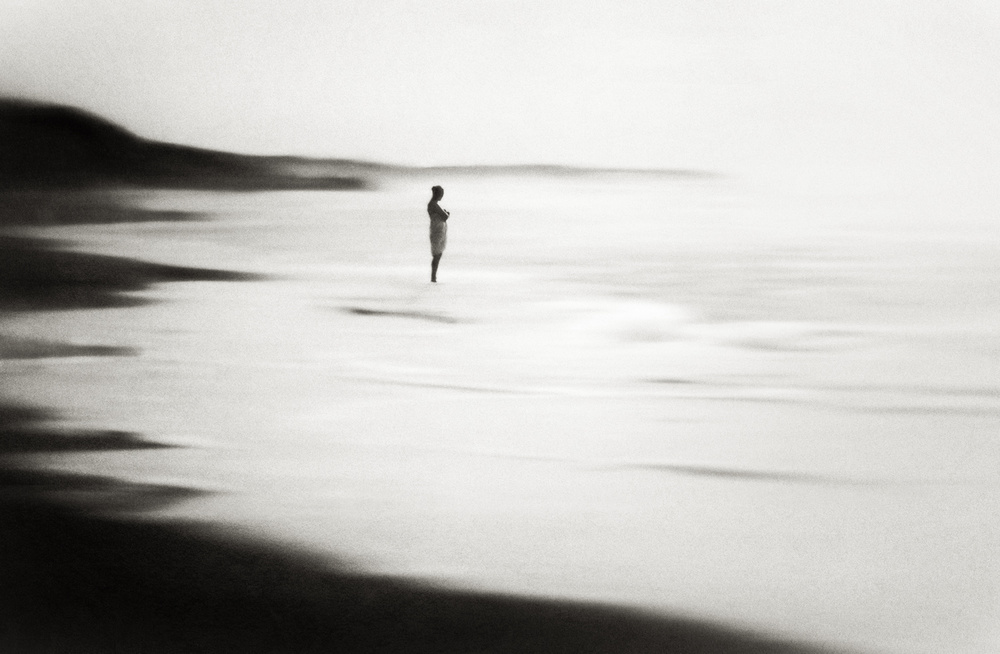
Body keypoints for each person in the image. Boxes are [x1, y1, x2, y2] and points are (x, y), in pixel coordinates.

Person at [427, 185, 449, 282]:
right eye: (441, 194)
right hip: (437, 230)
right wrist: (446, 213)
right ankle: (433, 277)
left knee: (437, 253)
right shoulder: (433, 205)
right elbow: (444, 216)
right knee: (437, 254)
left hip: (438, 229)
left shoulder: (433, 204)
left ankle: (434, 276)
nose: (442, 196)